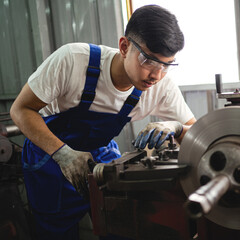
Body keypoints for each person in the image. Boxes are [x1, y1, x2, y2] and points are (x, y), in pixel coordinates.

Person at [10, 4, 195, 240]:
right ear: (124, 46)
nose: (156, 76)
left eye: (166, 65)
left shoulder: (160, 87)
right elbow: (21, 109)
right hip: (49, 156)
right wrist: (62, 153)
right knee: (55, 231)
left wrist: (175, 127)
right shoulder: (73, 61)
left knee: (120, 224)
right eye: (149, 60)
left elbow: (200, 135)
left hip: (99, 155)